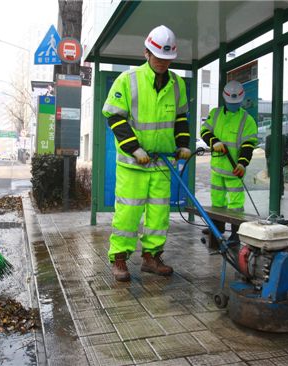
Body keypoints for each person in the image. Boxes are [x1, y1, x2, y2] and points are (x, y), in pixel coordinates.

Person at [102, 25, 191, 282]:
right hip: (134, 163)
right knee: (128, 213)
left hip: (163, 162)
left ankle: (152, 257)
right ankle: (119, 259)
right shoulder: (128, 80)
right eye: (158, 57)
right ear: (146, 53)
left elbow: (181, 118)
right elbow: (115, 118)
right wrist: (134, 147)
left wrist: (182, 144)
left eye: (167, 58)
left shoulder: (177, 84)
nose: (162, 62)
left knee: (158, 214)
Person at [200, 80, 258, 240]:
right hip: (217, 168)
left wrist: (242, 163)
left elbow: (248, 144)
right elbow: (204, 131)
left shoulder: (247, 120)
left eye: (236, 102)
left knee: (235, 205)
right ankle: (216, 229)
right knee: (217, 200)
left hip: (234, 171)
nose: (233, 105)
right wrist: (214, 141)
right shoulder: (215, 113)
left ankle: (236, 234)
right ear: (224, 98)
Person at [265, 133, 288, 198]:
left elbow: (267, 150)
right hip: (282, 160)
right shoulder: (285, 137)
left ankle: (273, 193)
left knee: (273, 177)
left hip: (272, 160)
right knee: (280, 176)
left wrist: (268, 159)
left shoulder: (268, 138)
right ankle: (281, 192)